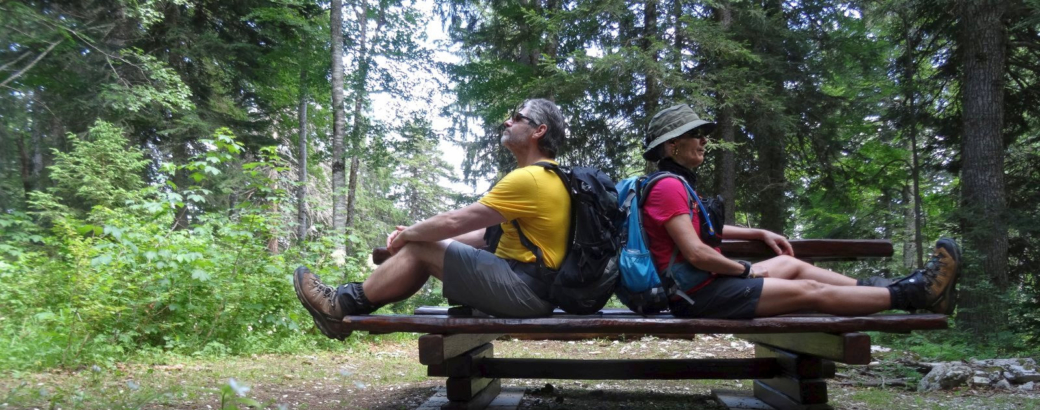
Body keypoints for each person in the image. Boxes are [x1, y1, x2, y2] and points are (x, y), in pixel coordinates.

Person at [637, 103, 960, 319]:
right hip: (698, 295)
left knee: (791, 264)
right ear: (671, 145)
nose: (704, 140)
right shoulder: (667, 186)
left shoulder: (678, 184)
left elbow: (700, 229)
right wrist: (746, 270)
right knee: (811, 292)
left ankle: (896, 286)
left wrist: (758, 233)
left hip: (707, 284)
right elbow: (696, 254)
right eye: (695, 134)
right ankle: (914, 294)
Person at [294, 98, 570, 339]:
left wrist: (411, 236)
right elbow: (484, 235)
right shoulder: (548, 177)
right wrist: (420, 236)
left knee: (422, 247)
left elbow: (454, 221)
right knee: (423, 245)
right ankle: (345, 305)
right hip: (532, 290)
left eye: (518, 117)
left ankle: (338, 305)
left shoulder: (530, 178)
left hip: (524, 292)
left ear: (539, 130)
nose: (507, 122)